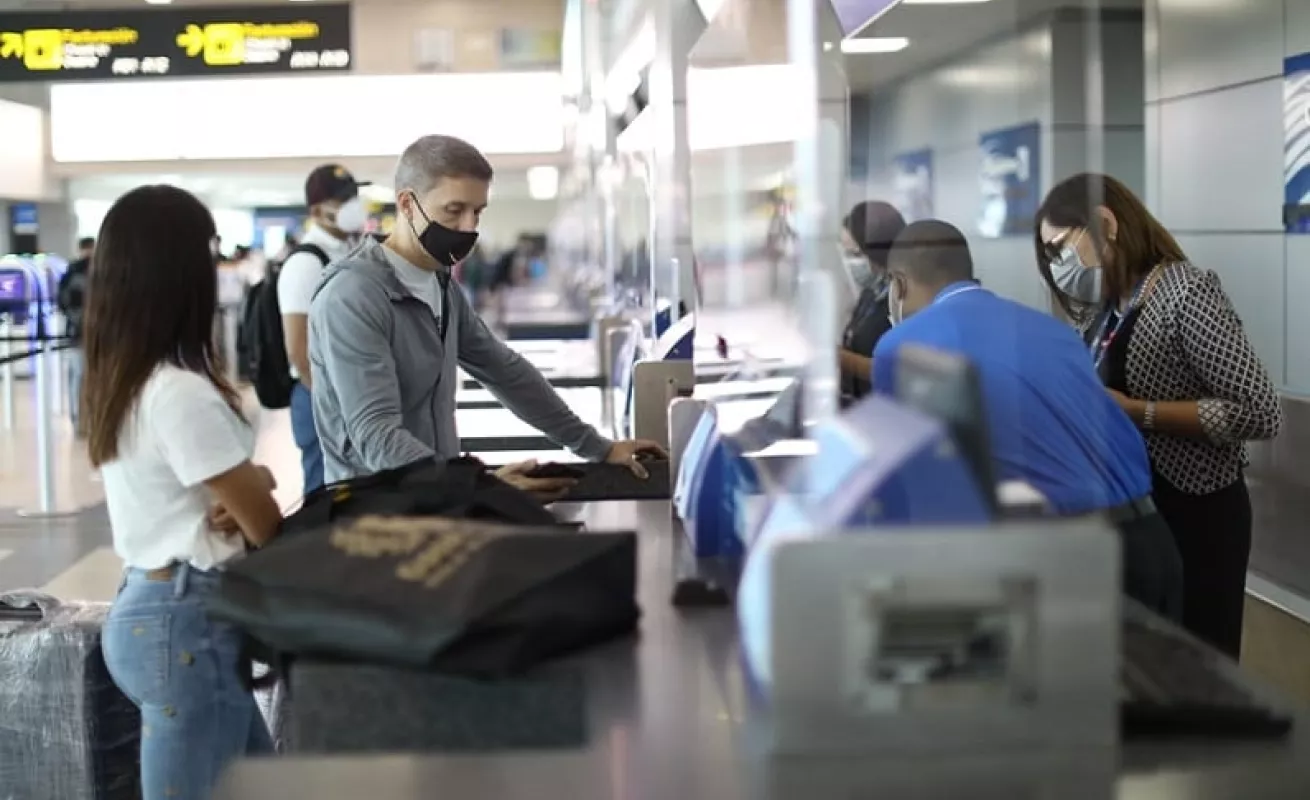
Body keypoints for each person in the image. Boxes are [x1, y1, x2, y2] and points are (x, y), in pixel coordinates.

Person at [308, 134, 663, 492]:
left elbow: (504, 371)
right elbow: (377, 436)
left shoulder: (440, 282)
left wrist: (599, 448)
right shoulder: (353, 295)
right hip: (376, 517)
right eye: (454, 209)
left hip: (441, 504)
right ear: (407, 204)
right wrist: (478, 487)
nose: (468, 227)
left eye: (477, 212)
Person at [872, 219, 1183, 619]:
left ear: (898, 284)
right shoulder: (1049, 330)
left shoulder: (901, 345)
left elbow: (905, 487)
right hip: (1153, 541)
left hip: (1073, 560)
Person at [81, 185, 282, 800]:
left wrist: (250, 486)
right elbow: (264, 522)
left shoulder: (123, 380)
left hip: (154, 608)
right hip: (186, 624)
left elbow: (232, 491)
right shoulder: (179, 392)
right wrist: (253, 491)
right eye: (206, 248)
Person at [1036, 173, 1282, 657]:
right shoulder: (1108, 307)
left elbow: (1259, 411)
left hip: (1198, 510)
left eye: (1059, 246)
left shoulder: (1185, 292)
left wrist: (1141, 413)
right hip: (1137, 507)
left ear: (1105, 223)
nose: (1057, 264)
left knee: (1201, 658)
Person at [277, 164, 370, 492]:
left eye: (354, 196)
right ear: (317, 210)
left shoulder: (347, 252)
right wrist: (339, 408)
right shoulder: (306, 263)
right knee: (326, 497)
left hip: (348, 393)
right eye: (343, 200)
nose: (354, 205)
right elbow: (300, 354)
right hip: (321, 398)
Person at [838, 201, 905, 399]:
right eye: (847, 254)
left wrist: (839, 358)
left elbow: (897, 370)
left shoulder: (902, 298)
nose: (851, 263)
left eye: (857, 254)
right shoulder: (871, 292)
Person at [57, 236, 94, 436]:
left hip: (76, 334)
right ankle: (85, 420)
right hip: (89, 334)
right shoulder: (100, 272)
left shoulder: (71, 273)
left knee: (78, 376)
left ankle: (80, 420)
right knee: (84, 375)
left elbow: (63, 303)